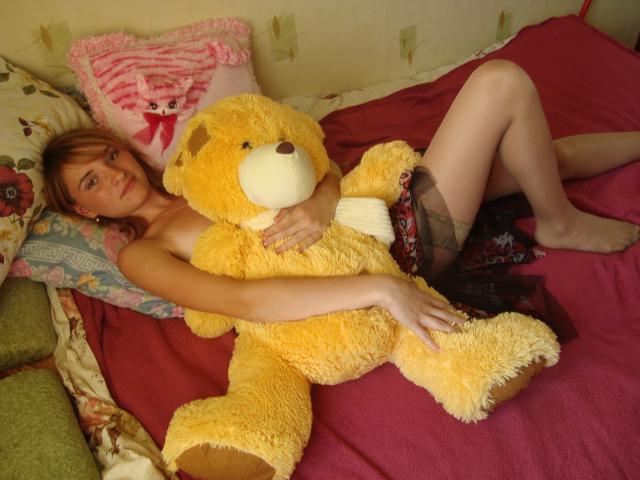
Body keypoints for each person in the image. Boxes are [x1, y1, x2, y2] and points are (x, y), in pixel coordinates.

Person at [43, 60, 639, 352]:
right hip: (395, 249)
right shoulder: (142, 253)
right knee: (500, 83)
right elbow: (243, 301)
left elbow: (317, 167)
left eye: (109, 157)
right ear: (85, 211)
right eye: (92, 182)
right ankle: (559, 223)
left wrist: (325, 199)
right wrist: (380, 288)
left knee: (544, 158)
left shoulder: (197, 178)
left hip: (365, 203)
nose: (114, 176)